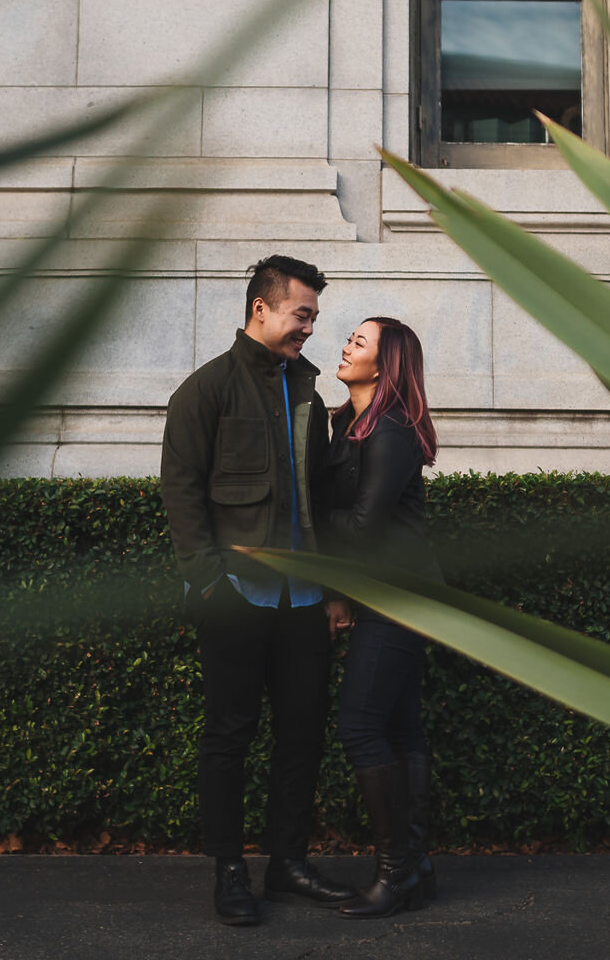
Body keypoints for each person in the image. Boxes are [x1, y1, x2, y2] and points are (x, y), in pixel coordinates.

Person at [159, 255, 359, 926]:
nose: (310, 327)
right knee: (229, 737)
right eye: (302, 313)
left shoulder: (307, 390)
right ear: (261, 310)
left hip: (304, 604)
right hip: (237, 598)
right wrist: (209, 582)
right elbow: (182, 493)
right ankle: (229, 870)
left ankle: (288, 862)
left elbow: (323, 502)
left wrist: (333, 590)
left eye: (313, 316)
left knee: (302, 737)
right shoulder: (204, 391)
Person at [323, 316, 441, 920]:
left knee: (361, 727)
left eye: (359, 343)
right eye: (349, 338)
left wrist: (295, 518)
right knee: (399, 727)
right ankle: (414, 866)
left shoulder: (389, 430)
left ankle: (394, 873)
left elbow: (364, 527)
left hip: (401, 596)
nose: (346, 346)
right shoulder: (345, 422)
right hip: (380, 593)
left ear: (386, 365)